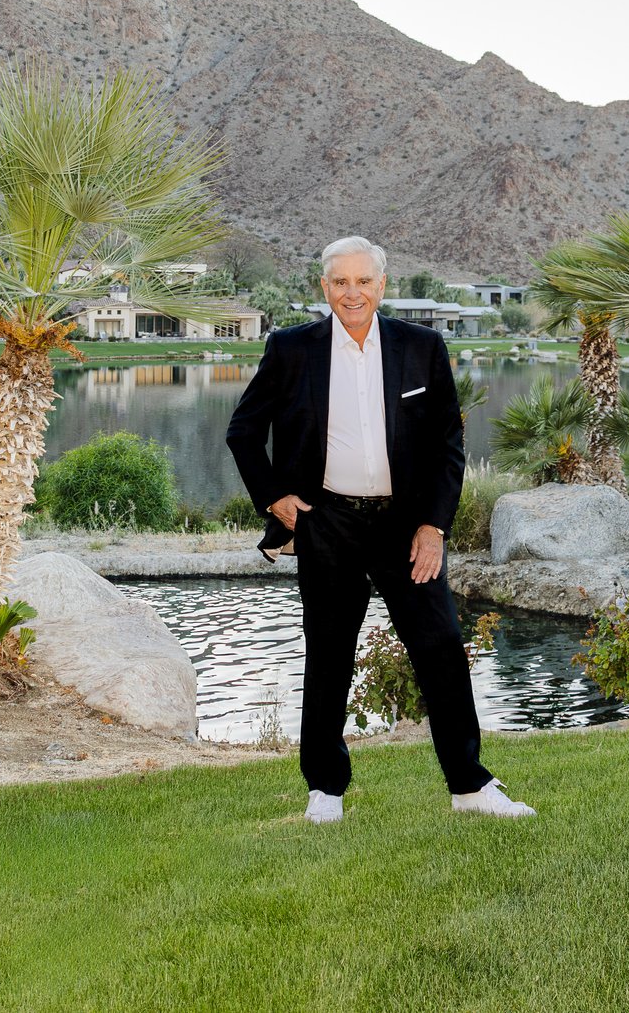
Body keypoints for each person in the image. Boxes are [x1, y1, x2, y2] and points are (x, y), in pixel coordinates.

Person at [226, 235, 535, 823]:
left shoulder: (422, 347)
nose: (352, 293)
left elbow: (449, 446)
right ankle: (325, 790)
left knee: (442, 646)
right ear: (324, 289)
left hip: (404, 526)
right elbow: (244, 432)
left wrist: (434, 527)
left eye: (363, 282)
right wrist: (275, 499)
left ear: (382, 286)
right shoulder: (292, 350)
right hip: (327, 523)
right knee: (330, 657)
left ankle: (469, 785)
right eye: (340, 282)